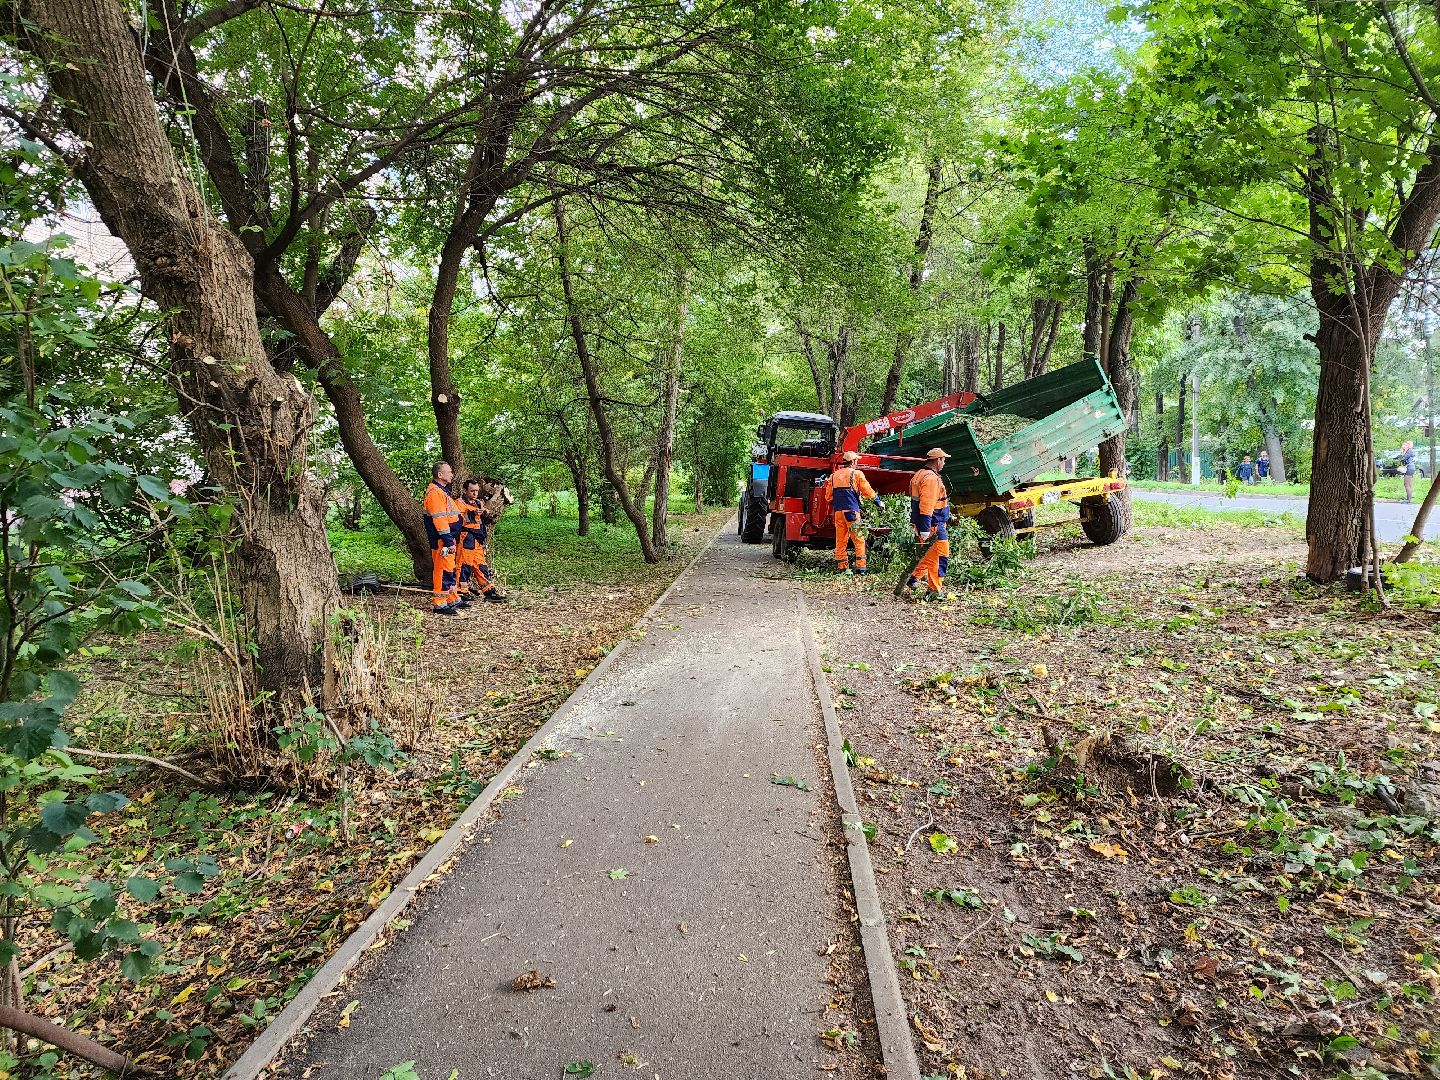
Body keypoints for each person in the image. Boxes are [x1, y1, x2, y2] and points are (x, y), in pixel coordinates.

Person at [825, 450, 881, 574]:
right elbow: (867, 490)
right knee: (859, 539)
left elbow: (828, 497)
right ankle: (861, 568)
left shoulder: (833, 476)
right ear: (853, 461)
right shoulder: (857, 474)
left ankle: (842, 567)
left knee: (840, 540)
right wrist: (877, 501)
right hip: (851, 512)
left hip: (838, 513)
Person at [906, 447, 951, 600]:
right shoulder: (931, 478)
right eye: (943, 460)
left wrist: (917, 524)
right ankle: (934, 590)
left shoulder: (919, 474)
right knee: (940, 557)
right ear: (937, 460)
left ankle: (912, 579)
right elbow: (926, 505)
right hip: (933, 525)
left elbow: (915, 503)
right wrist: (925, 528)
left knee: (927, 556)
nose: (944, 463)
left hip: (925, 523)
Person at [457, 478, 508, 603]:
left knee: (481, 565)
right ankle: (460, 592)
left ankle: (489, 591)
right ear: (465, 490)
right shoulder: (459, 503)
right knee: (464, 565)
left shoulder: (479, 502)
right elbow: (458, 517)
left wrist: (485, 512)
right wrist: (473, 511)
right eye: (472, 491)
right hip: (466, 537)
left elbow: (485, 516)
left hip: (477, 539)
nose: (475, 493)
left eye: (476, 491)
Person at [422, 461, 463, 615]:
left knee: (449, 568)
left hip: (448, 539)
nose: (452, 474)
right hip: (443, 541)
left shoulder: (442, 491)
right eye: (449, 471)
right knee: (442, 570)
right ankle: (439, 603)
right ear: (440, 475)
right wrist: (447, 540)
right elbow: (440, 520)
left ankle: (451, 598)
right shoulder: (435, 493)